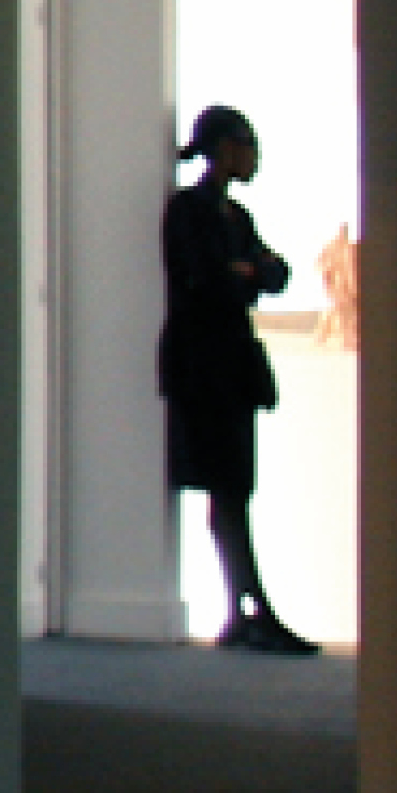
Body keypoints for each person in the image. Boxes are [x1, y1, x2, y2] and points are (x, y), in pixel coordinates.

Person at [160, 102, 315, 653]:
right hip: (202, 370)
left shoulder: (236, 218)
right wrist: (246, 272)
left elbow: (276, 273)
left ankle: (243, 610)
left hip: (230, 368)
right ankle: (249, 610)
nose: (254, 157)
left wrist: (246, 271)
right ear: (224, 149)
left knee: (235, 489)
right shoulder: (189, 212)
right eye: (247, 145)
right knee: (225, 487)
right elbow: (204, 279)